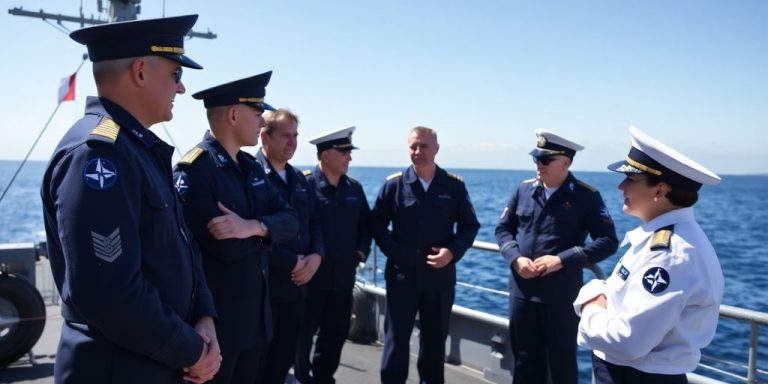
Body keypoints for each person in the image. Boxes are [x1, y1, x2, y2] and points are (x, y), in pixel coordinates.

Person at [40, 15, 221, 383]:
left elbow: (183, 244)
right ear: (140, 71)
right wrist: (190, 350)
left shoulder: (137, 150)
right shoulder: (98, 155)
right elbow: (109, 292)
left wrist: (204, 315)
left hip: (155, 361)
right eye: (175, 74)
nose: (181, 87)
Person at [172, 72, 298, 383]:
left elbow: (290, 220)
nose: (262, 122)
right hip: (217, 328)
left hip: (255, 323)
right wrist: (266, 237)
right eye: (257, 113)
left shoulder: (250, 167)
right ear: (232, 115)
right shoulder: (195, 170)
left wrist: (253, 226)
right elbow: (223, 247)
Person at [573, 126, 723, 384]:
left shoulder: (669, 255)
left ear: (660, 190)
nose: (621, 186)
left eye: (630, 179)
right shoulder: (667, 240)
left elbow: (627, 342)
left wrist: (591, 304)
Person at [494, 128, 619, 383]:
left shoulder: (586, 196)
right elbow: (503, 229)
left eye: (545, 159)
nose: (538, 165)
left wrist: (562, 260)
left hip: (561, 296)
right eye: (536, 158)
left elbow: (608, 241)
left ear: (566, 162)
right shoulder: (523, 190)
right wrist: (515, 258)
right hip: (522, 293)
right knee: (524, 362)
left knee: (561, 365)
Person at [371, 126, 480, 384]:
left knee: (434, 344)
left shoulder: (453, 186)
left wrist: (451, 252)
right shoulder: (394, 185)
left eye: (424, 146)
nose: (418, 151)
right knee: (396, 343)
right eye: (413, 146)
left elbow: (470, 225)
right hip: (402, 277)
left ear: (436, 149)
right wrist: (395, 253)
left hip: (438, 279)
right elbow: (376, 223)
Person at [294, 126, 372, 384]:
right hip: (310, 279)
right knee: (302, 334)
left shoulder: (354, 189)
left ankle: (324, 378)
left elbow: (366, 225)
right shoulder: (303, 185)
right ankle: (301, 378)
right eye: (344, 152)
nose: (349, 157)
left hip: (342, 279)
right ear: (326, 155)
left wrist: (361, 252)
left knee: (335, 334)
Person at [255, 109, 324, 383]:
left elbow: (314, 221)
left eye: (295, 136)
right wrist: (292, 262)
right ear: (265, 137)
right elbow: (254, 232)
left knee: (283, 360)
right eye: (285, 135)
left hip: (297, 289)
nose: (292, 142)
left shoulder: (298, 178)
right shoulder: (252, 175)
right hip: (267, 290)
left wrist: (317, 256)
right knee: (259, 366)